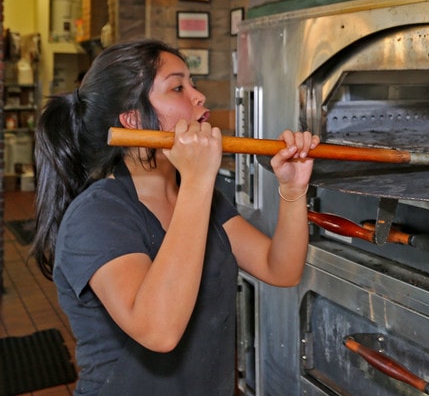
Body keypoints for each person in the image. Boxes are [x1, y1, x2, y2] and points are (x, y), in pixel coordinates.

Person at [31, 39, 320, 396]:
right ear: (134, 120)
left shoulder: (201, 199)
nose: (198, 97)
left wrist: (292, 192)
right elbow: (159, 330)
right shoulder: (96, 215)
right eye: (178, 87)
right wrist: (198, 181)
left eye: (193, 84)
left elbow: (281, 268)